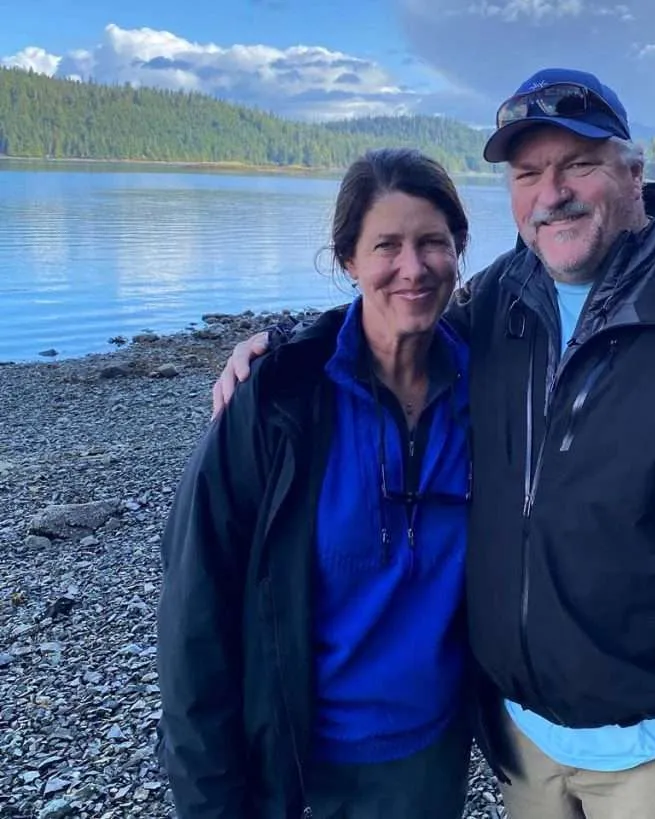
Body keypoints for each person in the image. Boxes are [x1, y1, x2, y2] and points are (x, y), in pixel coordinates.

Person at [212, 68, 655, 819]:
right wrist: (286, 347)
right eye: (528, 173)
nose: (551, 192)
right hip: (525, 750)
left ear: (633, 172)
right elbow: (396, 316)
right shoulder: (504, 301)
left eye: (579, 165)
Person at [156, 147, 475, 819]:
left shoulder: (491, 384)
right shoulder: (277, 401)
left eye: (432, 243)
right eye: (386, 244)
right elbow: (194, 617)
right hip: (301, 765)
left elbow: (581, 234)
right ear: (348, 260)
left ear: (459, 251)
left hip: (434, 757)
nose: (413, 268)